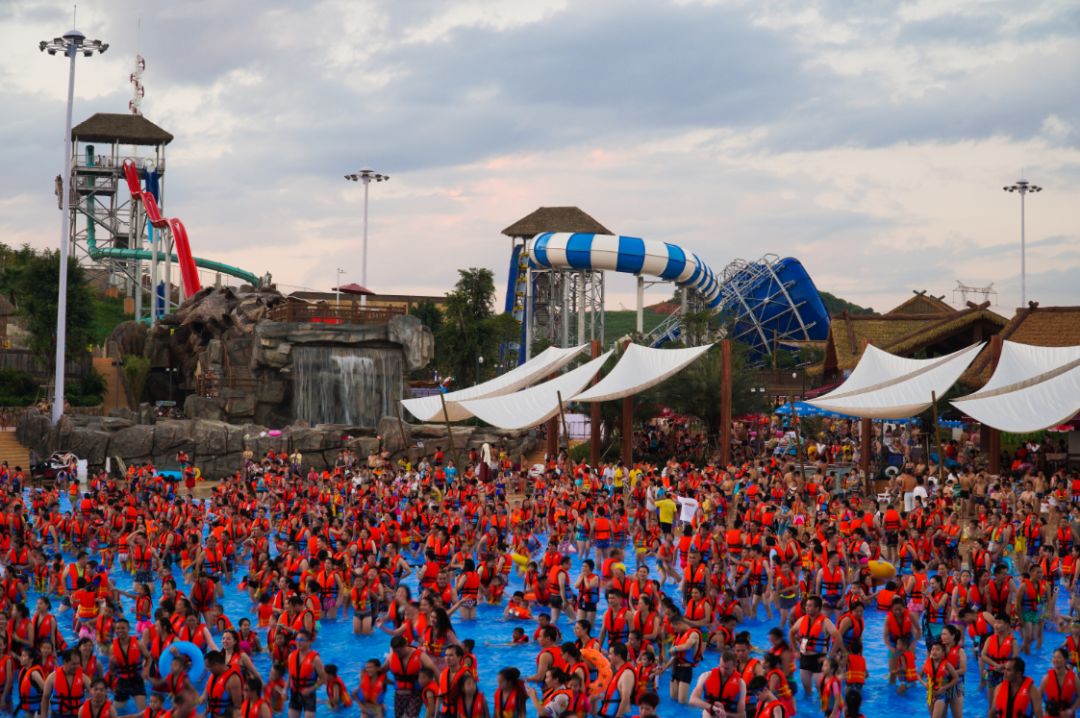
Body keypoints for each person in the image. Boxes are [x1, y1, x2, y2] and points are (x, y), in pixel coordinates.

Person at [789, 596, 841, 696]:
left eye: (810, 606)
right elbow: (791, 633)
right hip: (804, 658)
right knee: (806, 689)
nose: (806, 608)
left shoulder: (826, 622)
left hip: (819, 659)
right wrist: (795, 650)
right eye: (806, 606)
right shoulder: (802, 620)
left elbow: (838, 637)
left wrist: (829, 656)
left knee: (821, 690)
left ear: (817, 608)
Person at [689, 649, 745, 718]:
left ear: (735, 666)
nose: (723, 670)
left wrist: (724, 714)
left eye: (726, 668)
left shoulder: (741, 684)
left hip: (728, 715)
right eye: (721, 666)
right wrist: (712, 708)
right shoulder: (706, 676)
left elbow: (741, 715)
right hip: (711, 711)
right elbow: (692, 700)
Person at [286, 632, 326, 718]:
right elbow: (290, 676)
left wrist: (311, 689)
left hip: (309, 695)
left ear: (309, 642)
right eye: (297, 639)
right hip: (295, 693)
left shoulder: (315, 659)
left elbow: (323, 679)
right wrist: (284, 690)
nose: (298, 642)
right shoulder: (291, 656)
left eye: (301, 640)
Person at [1040, 649, 1078, 718]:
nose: (1055, 660)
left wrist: (1071, 710)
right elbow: (1038, 698)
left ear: (1065, 660)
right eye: (1054, 657)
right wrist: (1042, 711)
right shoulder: (1046, 678)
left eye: (1058, 657)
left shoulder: (1074, 678)